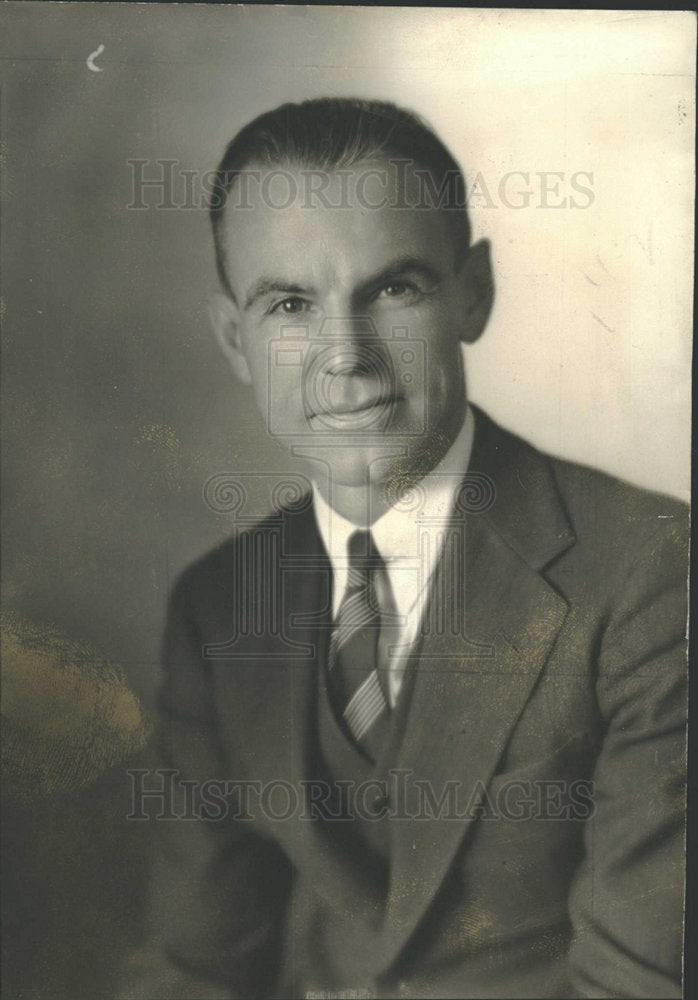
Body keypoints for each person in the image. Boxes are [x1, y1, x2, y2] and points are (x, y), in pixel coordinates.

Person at [119, 98, 687, 999]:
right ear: (237, 340)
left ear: (474, 293)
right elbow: (198, 969)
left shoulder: (653, 574)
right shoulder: (217, 607)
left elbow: (642, 985)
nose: (344, 355)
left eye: (394, 288)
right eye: (291, 304)